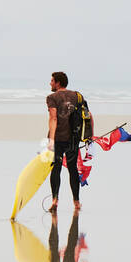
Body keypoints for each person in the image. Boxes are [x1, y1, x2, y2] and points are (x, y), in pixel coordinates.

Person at [46, 71, 92, 214]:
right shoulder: (77, 96)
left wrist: (51, 140)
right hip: (73, 138)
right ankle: (76, 202)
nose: (50, 83)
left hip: (59, 138)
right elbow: (88, 116)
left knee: (56, 168)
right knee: (72, 169)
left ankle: (55, 200)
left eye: (52, 81)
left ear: (58, 82)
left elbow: (53, 118)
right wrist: (89, 136)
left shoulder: (52, 97)